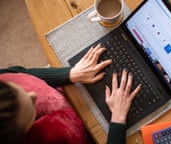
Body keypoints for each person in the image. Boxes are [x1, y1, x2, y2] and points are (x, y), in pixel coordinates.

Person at [0, 44, 141, 144]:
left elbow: (20, 73)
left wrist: (70, 74)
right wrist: (118, 117)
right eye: (30, 107)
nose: (33, 95)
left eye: (20, 90)